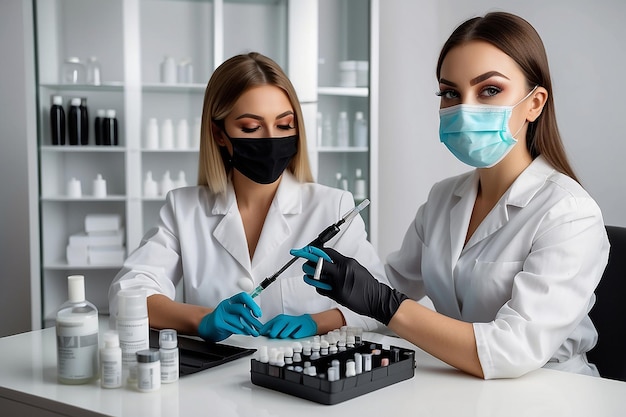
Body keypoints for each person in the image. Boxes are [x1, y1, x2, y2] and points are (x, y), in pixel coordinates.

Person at [291, 12, 610, 379]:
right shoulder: (444, 199)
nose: (464, 107)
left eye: (489, 90)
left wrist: (383, 302)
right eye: (450, 93)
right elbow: (391, 287)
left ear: (534, 103)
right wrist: (324, 315)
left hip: (552, 393)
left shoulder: (569, 213)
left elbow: (512, 349)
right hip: (461, 385)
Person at [108, 52, 387, 342]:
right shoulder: (184, 208)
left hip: (299, 380)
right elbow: (127, 294)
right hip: (211, 382)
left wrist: (317, 322)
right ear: (219, 134)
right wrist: (202, 319)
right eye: (251, 128)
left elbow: (379, 303)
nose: (270, 139)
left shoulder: (333, 207)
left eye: (284, 125)